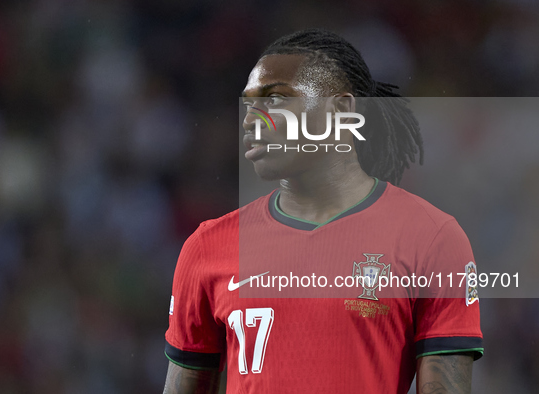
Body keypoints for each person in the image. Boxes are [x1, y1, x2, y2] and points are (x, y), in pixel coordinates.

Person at [163, 29, 482, 394]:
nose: (252, 120)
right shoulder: (207, 247)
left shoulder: (432, 238)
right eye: (249, 104)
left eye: (276, 98)